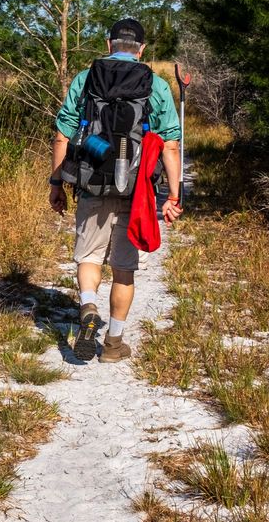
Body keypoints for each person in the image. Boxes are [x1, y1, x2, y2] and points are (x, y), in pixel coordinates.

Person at [48, 18, 183, 362]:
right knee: (124, 269)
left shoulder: (86, 78)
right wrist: (172, 196)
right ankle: (113, 344)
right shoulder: (157, 85)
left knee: (89, 257)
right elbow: (169, 145)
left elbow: (63, 134)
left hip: (92, 181)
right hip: (136, 189)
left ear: (108, 45)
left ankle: (88, 306)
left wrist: (56, 183)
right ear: (141, 50)